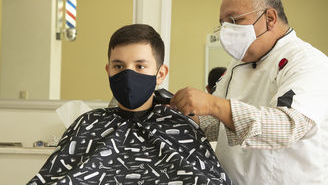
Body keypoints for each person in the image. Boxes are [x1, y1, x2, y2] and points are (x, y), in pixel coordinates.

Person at [170, 0, 328, 185]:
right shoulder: (236, 66)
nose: (226, 30)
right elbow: (219, 122)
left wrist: (212, 104)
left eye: (235, 20)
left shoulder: (309, 63)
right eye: (222, 24)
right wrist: (180, 115)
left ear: (270, 18)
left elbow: (289, 126)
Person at [27, 24, 233, 185]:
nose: (128, 74)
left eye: (140, 66)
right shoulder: (88, 123)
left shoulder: (181, 126)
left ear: (160, 74)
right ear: (108, 70)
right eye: (119, 66)